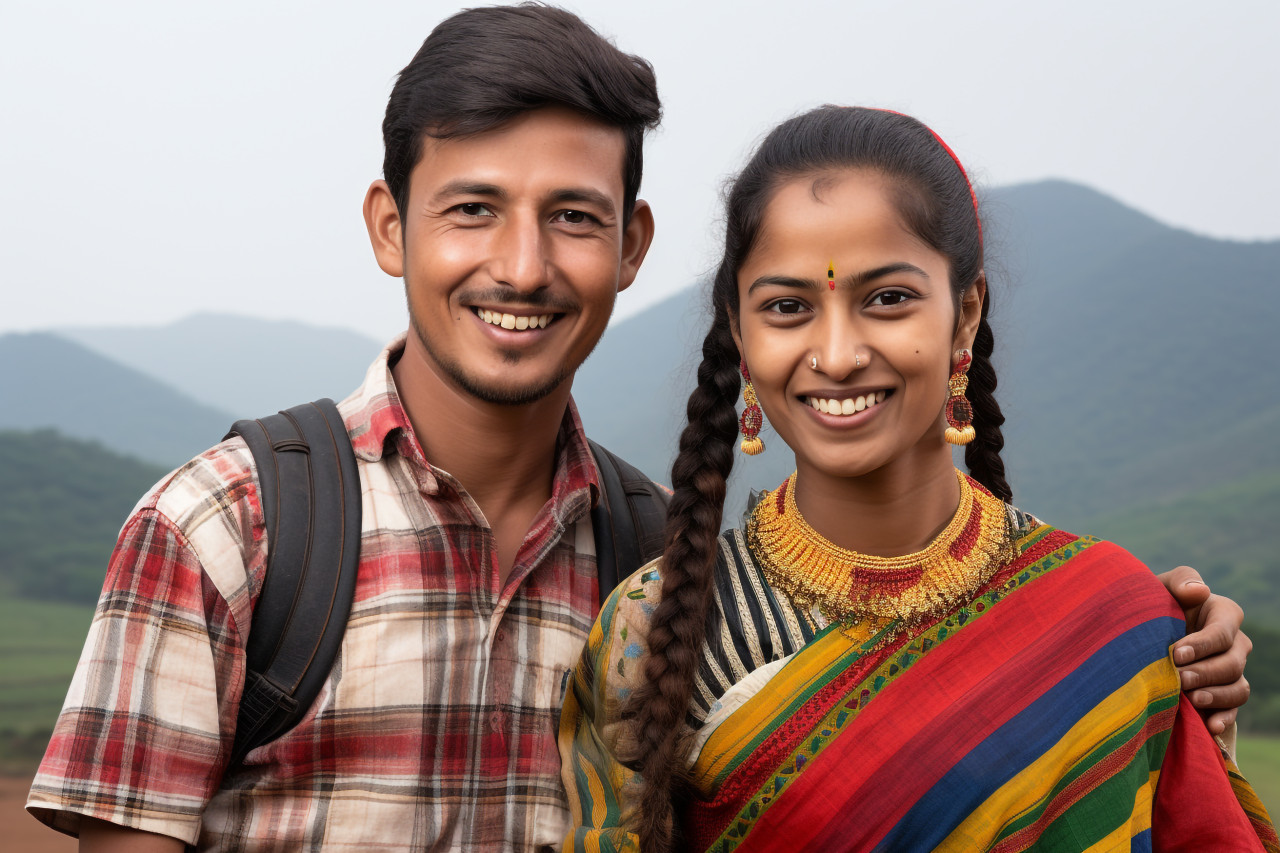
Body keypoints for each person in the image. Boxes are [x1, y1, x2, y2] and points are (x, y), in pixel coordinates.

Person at [23, 6, 1252, 851]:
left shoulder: (660, 564)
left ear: (631, 247)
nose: (519, 265)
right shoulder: (230, 531)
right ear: (390, 229)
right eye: (470, 210)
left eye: (570, 215)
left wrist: (1157, 651)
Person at [560, 106, 1277, 852]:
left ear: (965, 313)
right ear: (741, 334)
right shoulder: (657, 631)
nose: (836, 354)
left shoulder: (1115, 621)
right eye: (787, 307)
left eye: (888, 299)